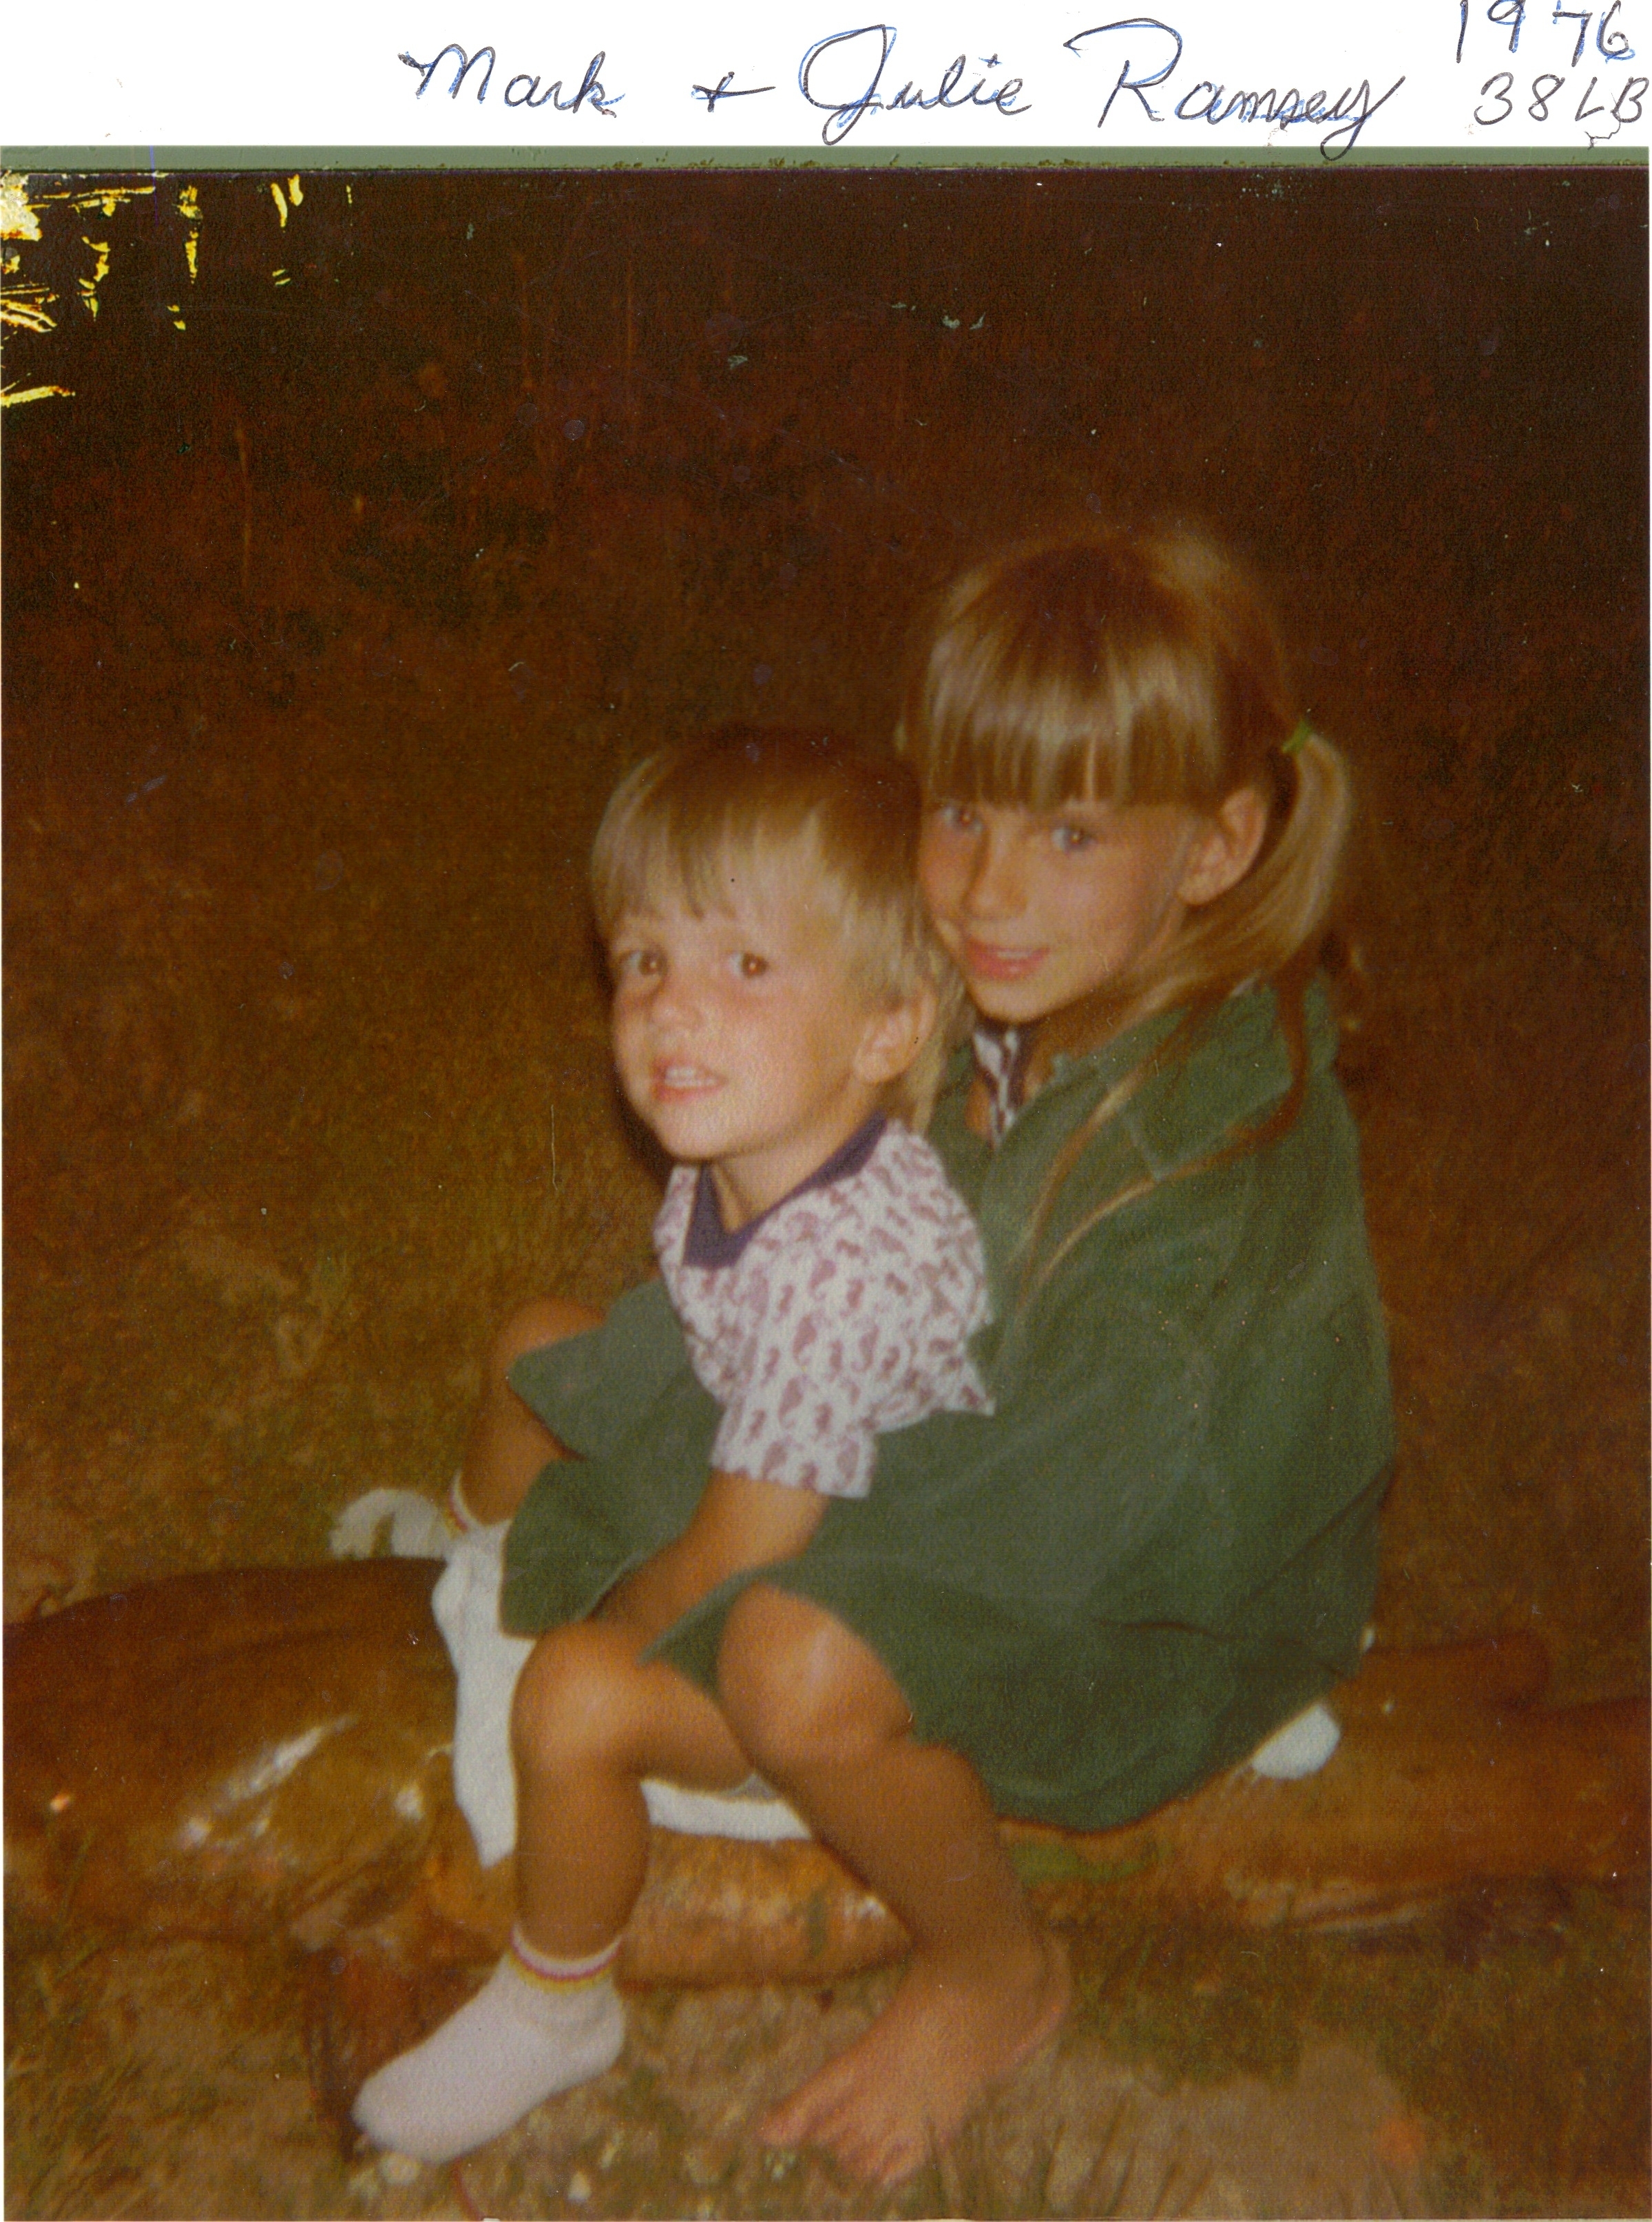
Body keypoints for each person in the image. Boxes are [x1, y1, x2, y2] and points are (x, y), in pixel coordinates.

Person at [361, 525, 1394, 2188]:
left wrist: (714, 1564)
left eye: (1069, 829)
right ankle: (489, 1571)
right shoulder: (1072, 981)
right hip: (997, 1427)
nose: (989, 884)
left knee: (788, 1658)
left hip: (1174, 1584)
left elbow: (1083, 1493)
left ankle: (995, 1963)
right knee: (575, 1364)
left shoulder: (1205, 1184)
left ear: (1219, 844)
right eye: (964, 809)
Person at [353, 726, 996, 2163]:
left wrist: (603, 1616)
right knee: (537, 1341)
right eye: (644, 960)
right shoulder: (762, 1147)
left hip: (856, 1598)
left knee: (579, 1696)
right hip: (760, 1449)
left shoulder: (837, 1270)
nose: (672, 1011)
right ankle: (463, 1548)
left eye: (746, 967)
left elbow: (745, 1547)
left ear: (886, 1028)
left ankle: (557, 1993)